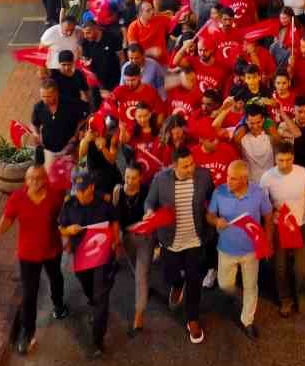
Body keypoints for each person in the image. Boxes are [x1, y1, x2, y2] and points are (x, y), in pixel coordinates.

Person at [0, 163, 68, 354]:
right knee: (29, 294)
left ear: (45, 179)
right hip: (28, 254)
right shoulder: (17, 198)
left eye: (39, 178)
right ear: (26, 180)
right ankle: (27, 332)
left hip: (52, 250)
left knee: (56, 278)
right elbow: (7, 220)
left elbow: (65, 216)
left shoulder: (56, 195)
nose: (35, 182)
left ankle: (59, 304)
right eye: (31, 178)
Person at [146, 146, 217, 345]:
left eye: (192, 163)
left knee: (195, 280)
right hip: (170, 241)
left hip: (196, 239)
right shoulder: (160, 179)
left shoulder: (204, 176)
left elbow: (213, 198)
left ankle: (192, 319)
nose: (191, 168)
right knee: (171, 275)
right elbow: (149, 202)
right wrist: (150, 212)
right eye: (186, 166)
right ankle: (177, 285)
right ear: (174, 166)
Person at [207, 160, 273, 339]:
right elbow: (210, 215)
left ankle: (247, 321)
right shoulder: (219, 192)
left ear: (245, 179)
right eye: (228, 176)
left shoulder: (258, 193)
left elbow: (268, 216)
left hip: (251, 251)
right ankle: (232, 292)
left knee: (251, 286)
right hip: (226, 249)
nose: (228, 181)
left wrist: (267, 241)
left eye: (233, 179)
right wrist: (215, 221)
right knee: (224, 284)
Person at [58, 172, 120, 358]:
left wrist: (116, 241)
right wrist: (68, 230)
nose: (79, 194)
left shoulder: (104, 203)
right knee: (88, 286)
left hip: (102, 256)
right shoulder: (69, 205)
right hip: (82, 257)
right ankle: (92, 300)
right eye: (77, 190)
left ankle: (97, 340)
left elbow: (114, 221)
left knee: (101, 297)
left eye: (83, 190)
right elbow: (61, 226)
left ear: (91, 187)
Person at [261, 141, 305, 317]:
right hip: (278, 226)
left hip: (301, 224)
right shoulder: (267, 177)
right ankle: (285, 300)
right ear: (275, 159)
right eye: (280, 160)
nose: (284, 164)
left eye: (288, 160)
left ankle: (302, 297)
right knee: (281, 266)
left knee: (303, 267)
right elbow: (264, 205)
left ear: (293, 157)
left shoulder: (304, 174)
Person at [112, 164, 154, 334]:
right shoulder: (118, 191)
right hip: (127, 238)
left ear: (140, 178)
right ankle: (144, 289)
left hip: (145, 237)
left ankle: (139, 314)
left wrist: (149, 215)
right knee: (135, 266)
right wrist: (117, 240)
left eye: (134, 178)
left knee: (140, 275)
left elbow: (153, 211)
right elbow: (114, 218)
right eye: (127, 177)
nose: (129, 181)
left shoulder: (146, 191)